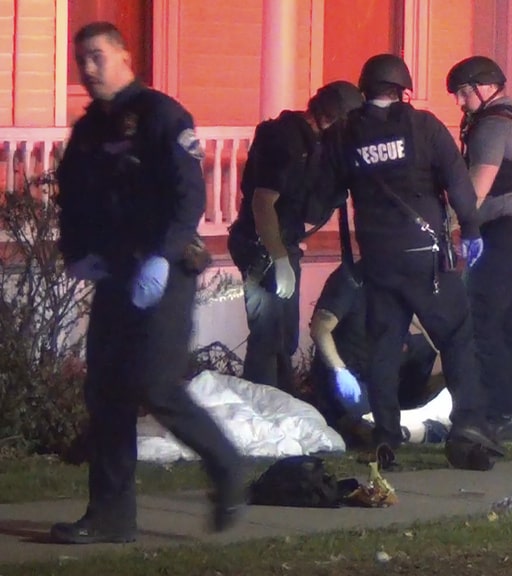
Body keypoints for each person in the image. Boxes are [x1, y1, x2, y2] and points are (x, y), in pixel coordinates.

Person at [52, 21, 244, 544]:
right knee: (107, 392)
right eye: (80, 61)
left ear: (123, 56)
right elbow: (72, 195)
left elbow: (188, 196)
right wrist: (78, 254)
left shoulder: (161, 115)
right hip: (115, 273)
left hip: (165, 272)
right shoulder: (91, 130)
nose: (87, 70)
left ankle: (227, 467)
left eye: (96, 57)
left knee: (154, 386)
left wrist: (161, 256)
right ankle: (111, 516)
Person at [324, 53, 504, 470]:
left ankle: (385, 438)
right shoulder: (423, 127)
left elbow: (327, 190)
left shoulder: (345, 133)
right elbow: (459, 184)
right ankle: (468, 428)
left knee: (385, 347)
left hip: (378, 258)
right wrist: (472, 232)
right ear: (403, 89)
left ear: (365, 88)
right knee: (457, 336)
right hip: (426, 259)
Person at [227, 80, 364, 393]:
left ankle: (284, 404)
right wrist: (277, 257)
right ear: (336, 117)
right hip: (261, 248)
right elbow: (262, 203)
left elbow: (310, 206)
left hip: (283, 245)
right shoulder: (285, 140)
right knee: (267, 337)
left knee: (284, 337)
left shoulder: (316, 142)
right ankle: (260, 410)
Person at [446, 56, 512, 441]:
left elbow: (475, 189)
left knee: (483, 324)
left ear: (484, 88)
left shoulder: (493, 126)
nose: (460, 102)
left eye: (463, 93)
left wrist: (448, 226)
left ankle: (501, 414)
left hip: (505, 237)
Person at [309, 260, 441, 445]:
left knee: (427, 350)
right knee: (367, 423)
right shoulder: (350, 280)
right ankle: (387, 430)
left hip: (385, 360)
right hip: (352, 370)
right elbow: (320, 329)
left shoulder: (399, 276)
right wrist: (340, 371)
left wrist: (445, 347)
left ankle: (411, 406)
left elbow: (420, 318)